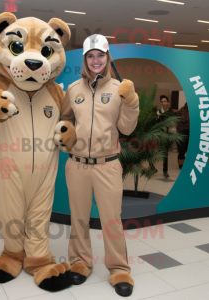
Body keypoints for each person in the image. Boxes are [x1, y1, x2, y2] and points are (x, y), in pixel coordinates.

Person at [54, 34, 139, 297]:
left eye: (100, 55)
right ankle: (80, 262)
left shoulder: (118, 89)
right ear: (85, 59)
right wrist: (65, 133)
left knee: (111, 220)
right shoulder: (74, 89)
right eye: (90, 56)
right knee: (78, 218)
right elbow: (64, 118)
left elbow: (126, 128)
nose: (95, 60)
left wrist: (132, 101)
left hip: (107, 165)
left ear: (107, 57)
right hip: (77, 165)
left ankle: (119, 269)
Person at [158, 95, 175, 178]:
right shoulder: (159, 112)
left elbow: (173, 121)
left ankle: (165, 171)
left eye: (165, 101)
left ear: (168, 103)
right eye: (162, 101)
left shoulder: (171, 112)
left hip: (166, 135)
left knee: (165, 153)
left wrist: (170, 126)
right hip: (158, 134)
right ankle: (152, 167)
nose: (163, 103)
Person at [175, 103, 190, 169]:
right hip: (182, 132)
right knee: (182, 149)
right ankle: (181, 163)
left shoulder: (194, 111)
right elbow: (177, 121)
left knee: (189, 149)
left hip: (190, 132)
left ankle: (187, 162)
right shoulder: (181, 111)